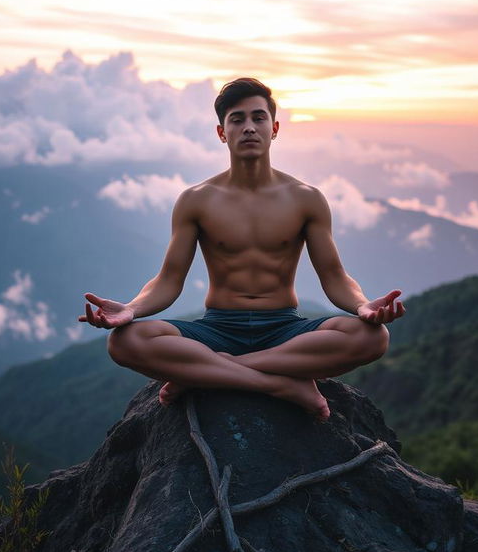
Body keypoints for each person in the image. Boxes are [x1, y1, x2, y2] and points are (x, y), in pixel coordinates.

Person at [80, 77, 404, 421]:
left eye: (258, 118)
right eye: (237, 119)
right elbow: (168, 280)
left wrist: (361, 304)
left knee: (372, 337)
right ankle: (281, 385)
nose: (249, 128)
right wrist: (131, 309)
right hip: (218, 328)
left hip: (284, 330)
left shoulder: (305, 199)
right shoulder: (196, 200)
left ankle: (206, 375)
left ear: (274, 128)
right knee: (124, 342)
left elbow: (335, 276)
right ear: (222, 132)